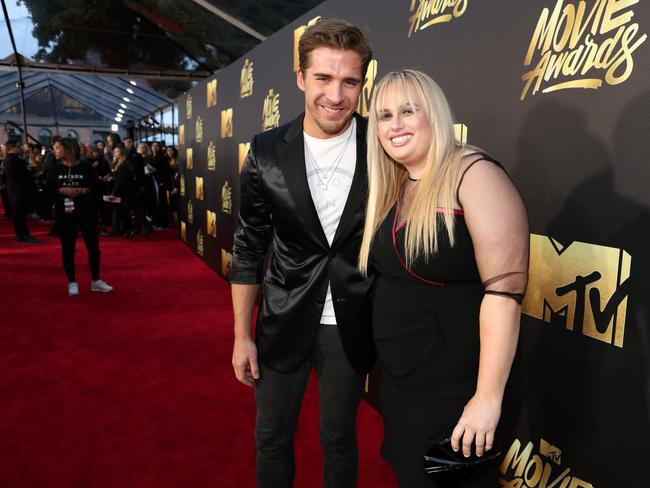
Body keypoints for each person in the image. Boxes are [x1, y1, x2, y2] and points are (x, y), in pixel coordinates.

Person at [358, 70, 529, 486]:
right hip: (402, 385)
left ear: (433, 113)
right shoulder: (395, 183)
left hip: (456, 392)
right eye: (383, 115)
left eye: (407, 111)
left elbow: (505, 294)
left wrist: (486, 400)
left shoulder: (474, 174)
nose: (394, 124)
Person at [230, 17, 375, 488]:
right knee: (271, 438)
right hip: (283, 316)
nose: (335, 95)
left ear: (362, 84)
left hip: (351, 322)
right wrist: (240, 335)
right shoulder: (266, 151)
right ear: (300, 78)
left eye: (349, 81)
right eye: (323, 78)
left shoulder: (384, 145)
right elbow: (249, 247)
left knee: (339, 439)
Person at [48, 137, 113, 296]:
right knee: (68, 249)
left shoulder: (86, 167)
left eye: (57, 148)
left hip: (86, 211)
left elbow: (96, 188)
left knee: (93, 248)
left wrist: (82, 191)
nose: (54, 151)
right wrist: (62, 191)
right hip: (64, 213)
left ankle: (96, 281)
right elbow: (49, 191)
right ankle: (72, 282)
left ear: (68, 149)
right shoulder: (53, 169)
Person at [3, 140, 40, 242]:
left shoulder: (14, 159)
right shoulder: (12, 160)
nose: (21, 148)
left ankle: (22, 234)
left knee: (20, 213)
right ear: (12, 148)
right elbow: (24, 173)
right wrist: (32, 171)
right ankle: (22, 235)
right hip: (17, 191)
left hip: (17, 190)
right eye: (19, 146)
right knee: (19, 214)